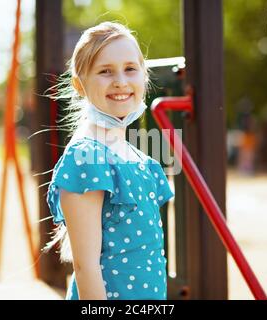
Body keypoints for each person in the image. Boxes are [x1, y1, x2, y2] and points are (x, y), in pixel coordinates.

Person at [44, 22, 174, 300]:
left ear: (144, 76)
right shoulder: (86, 159)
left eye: (130, 68)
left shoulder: (140, 159)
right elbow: (85, 266)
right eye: (105, 71)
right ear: (80, 84)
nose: (120, 81)